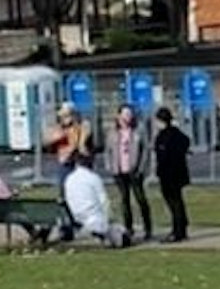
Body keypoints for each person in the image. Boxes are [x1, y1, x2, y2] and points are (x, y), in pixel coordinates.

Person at [60, 155, 128, 248]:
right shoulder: (94, 178)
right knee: (121, 233)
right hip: (95, 219)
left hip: (76, 218)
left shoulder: (69, 179)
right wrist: (110, 218)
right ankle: (103, 238)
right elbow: (104, 202)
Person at [109, 103, 154, 241]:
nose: (127, 117)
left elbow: (145, 150)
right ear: (119, 116)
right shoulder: (113, 132)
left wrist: (141, 168)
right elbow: (108, 151)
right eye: (124, 114)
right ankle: (129, 228)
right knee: (124, 200)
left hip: (135, 171)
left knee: (140, 199)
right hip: (119, 171)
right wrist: (111, 167)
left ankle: (148, 228)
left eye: (129, 114)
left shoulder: (138, 131)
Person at [153, 106, 192, 243]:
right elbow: (186, 142)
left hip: (170, 174)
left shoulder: (166, 136)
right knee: (177, 202)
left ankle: (178, 231)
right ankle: (181, 228)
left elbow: (164, 156)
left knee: (174, 202)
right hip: (175, 173)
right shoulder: (176, 134)